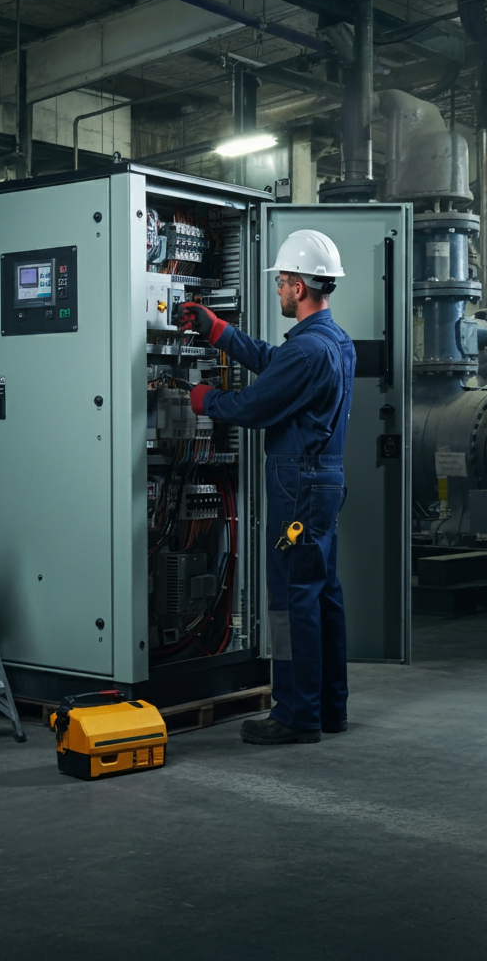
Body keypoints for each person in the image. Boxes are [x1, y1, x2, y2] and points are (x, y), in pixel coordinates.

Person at [179, 230, 356, 746]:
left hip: (297, 490)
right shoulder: (332, 341)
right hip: (321, 484)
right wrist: (220, 333)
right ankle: (329, 708)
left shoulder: (307, 353)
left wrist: (206, 400)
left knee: (291, 596)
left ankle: (296, 716)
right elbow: (276, 366)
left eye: (281, 282)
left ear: (299, 287)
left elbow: (255, 406)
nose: (278, 289)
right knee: (324, 594)